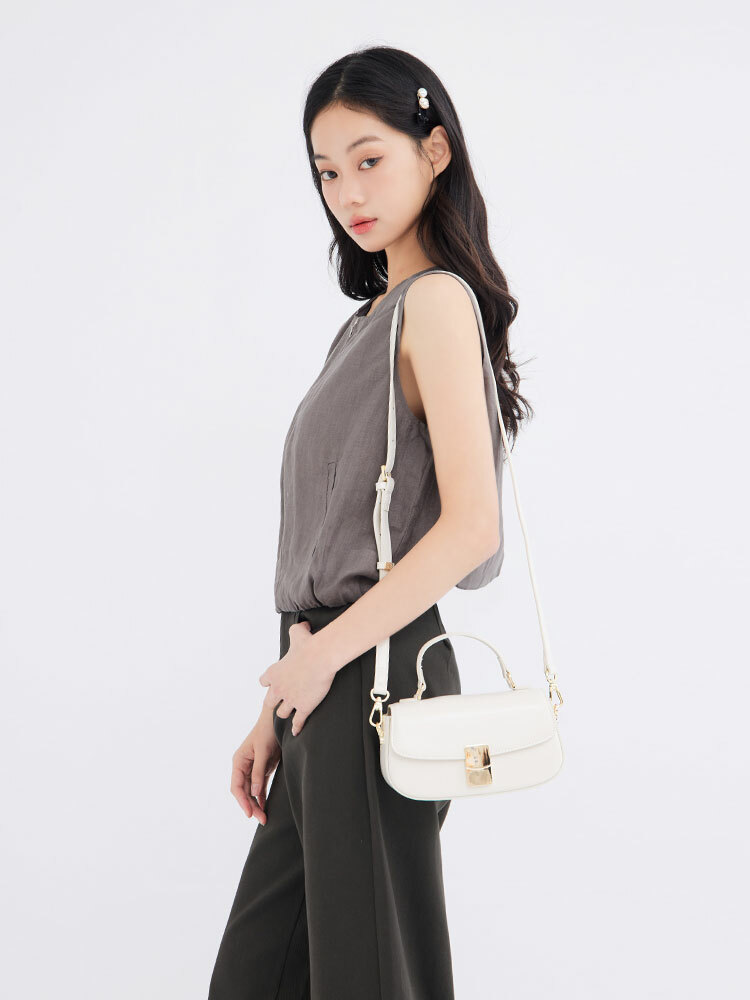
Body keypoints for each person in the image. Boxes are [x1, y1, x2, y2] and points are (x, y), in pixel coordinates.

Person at [207, 44, 533, 1000]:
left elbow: (471, 528)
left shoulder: (435, 304)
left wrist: (321, 665)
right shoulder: (367, 323)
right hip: (326, 676)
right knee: (263, 975)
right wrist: (277, 705)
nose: (346, 192)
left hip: (375, 672)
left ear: (435, 151)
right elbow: (331, 542)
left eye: (369, 159)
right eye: (326, 172)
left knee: (367, 974)